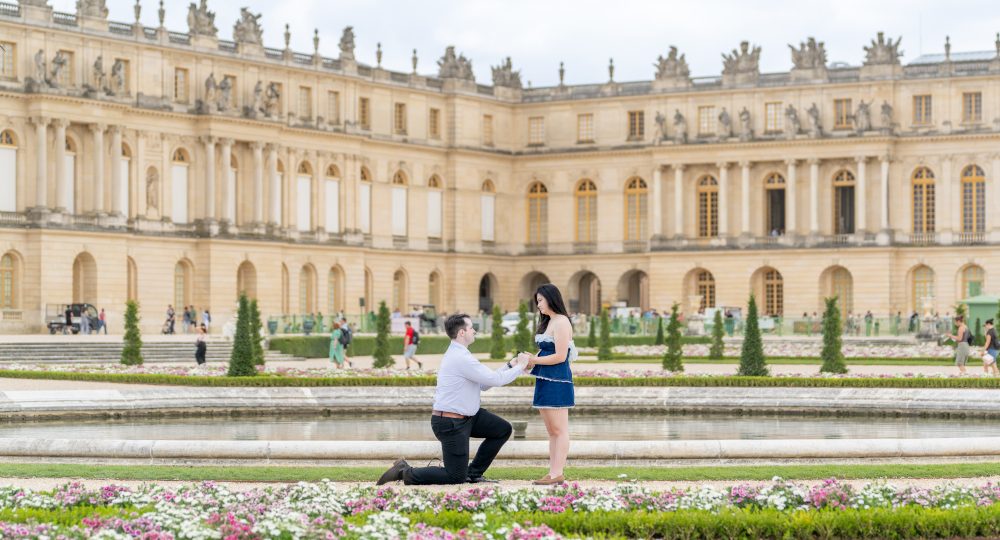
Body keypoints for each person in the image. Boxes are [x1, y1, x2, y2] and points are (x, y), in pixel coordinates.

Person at [376, 313, 528, 486]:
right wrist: (521, 366)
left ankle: (473, 473)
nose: (474, 331)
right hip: (450, 422)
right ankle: (404, 471)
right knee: (455, 476)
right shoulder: (461, 358)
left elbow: (485, 383)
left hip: (468, 417)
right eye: (471, 328)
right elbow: (495, 380)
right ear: (462, 333)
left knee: (502, 429)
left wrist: (510, 365)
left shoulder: (462, 354)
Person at [523, 283, 575, 486]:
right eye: (537, 302)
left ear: (551, 299)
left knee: (559, 429)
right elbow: (546, 353)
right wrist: (530, 360)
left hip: (558, 380)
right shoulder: (550, 322)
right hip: (545, 379)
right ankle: (553, 472)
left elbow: (561, 356)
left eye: (540, 301)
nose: (538, 306)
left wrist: (534, 361)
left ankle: (557, 472)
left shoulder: (561, 322)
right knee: (552, 430)